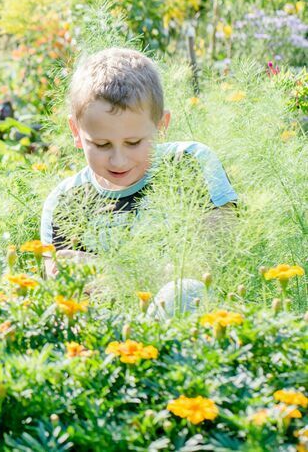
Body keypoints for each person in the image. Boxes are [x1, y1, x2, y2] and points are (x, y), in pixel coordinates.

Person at [40, 48, 237, 314]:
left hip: (189, 337)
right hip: (107, 339)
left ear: (161, 126)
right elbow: (63, 294)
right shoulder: (65, 202)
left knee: (183, 292)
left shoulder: (191, 164)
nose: (118, 160)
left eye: (133, 143)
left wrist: (111, 275)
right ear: (76, 132)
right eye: (101, 144)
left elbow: (210, 267)